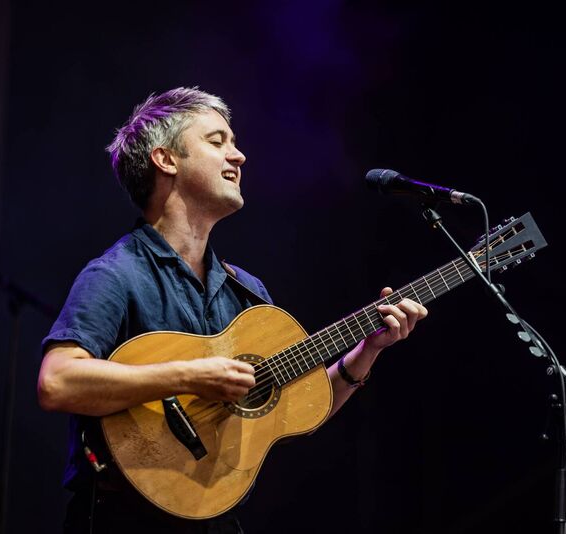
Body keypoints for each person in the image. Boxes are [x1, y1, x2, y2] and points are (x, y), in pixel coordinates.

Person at [37, 87, 428, 533]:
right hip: (121, 519)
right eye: (217, 141)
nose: (238, 156)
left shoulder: (248, 292)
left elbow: (298, 407)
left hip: (216, 517)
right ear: (167, 160)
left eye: (234, 143)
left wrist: (365, 353)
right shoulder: (116, 273)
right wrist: (190, 376)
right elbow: (57, 381)